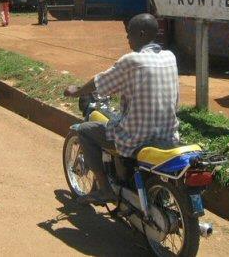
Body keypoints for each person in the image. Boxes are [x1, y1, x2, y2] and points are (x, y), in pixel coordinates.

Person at [64, 13, 180, 204]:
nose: (127, 38)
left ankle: (104, 190)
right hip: (168, 134)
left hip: (136, 137)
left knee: (85, 131)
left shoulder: (132, 60)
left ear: (141, 34)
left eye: (129, 33)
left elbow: (100, 82)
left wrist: (77, 91)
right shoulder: (170, 56)